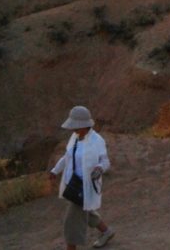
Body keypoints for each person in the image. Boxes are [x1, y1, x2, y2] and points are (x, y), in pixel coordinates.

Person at [50, 106, 115, 249]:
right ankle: (107, 231)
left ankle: (71, 248)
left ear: (83, 125)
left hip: (87, 186)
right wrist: (55, 171)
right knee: (86, 210)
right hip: (74, 184)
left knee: (71, 220)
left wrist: (99, 168)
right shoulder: (75, 137)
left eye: (75, 126)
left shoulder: (97, 140)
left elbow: (105, 161)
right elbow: (67, 157)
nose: (73, 130)